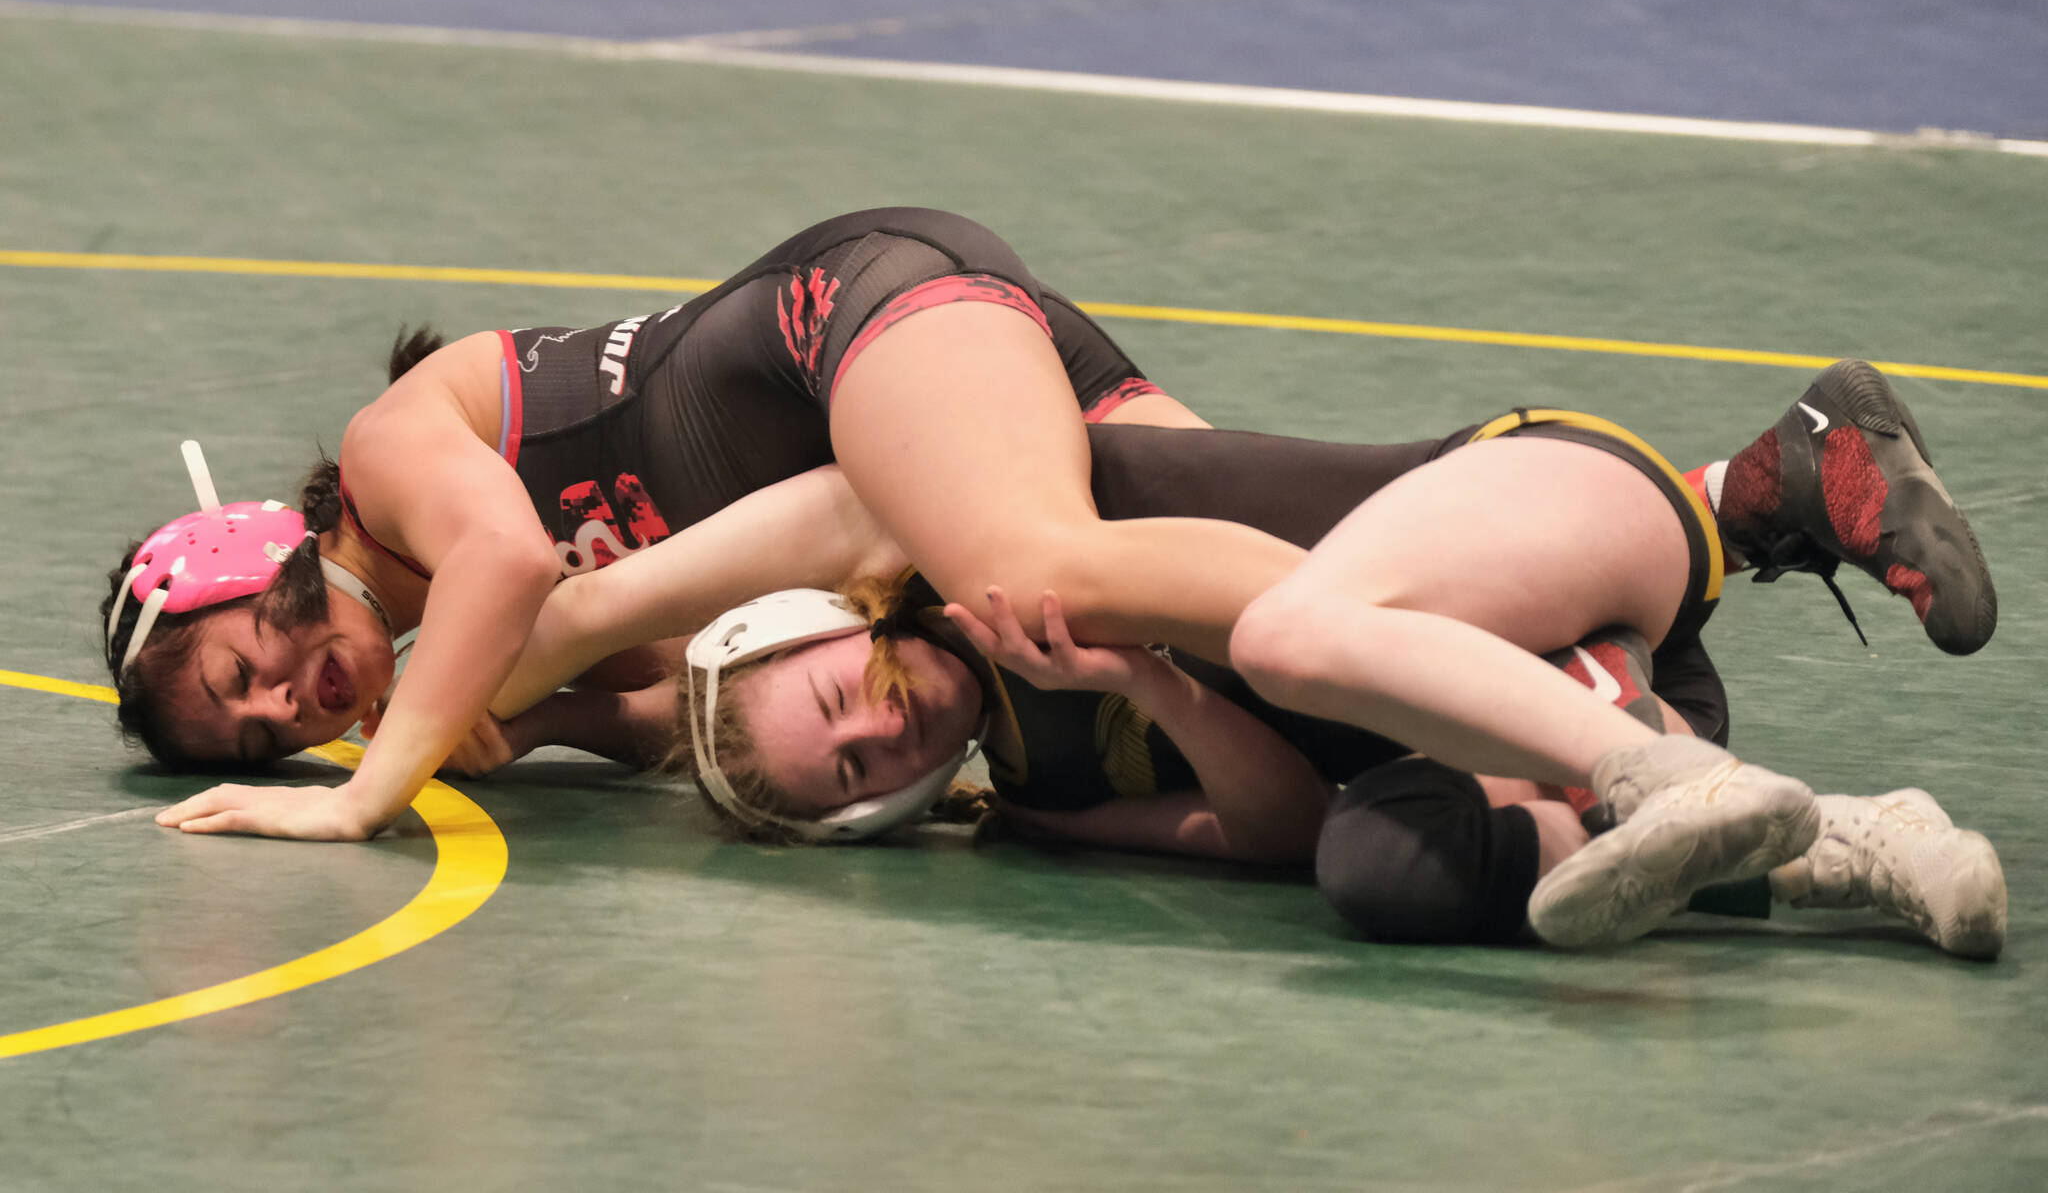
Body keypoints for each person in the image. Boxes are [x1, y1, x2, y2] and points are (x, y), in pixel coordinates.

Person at [106, 209, 1991, 948]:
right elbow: (683, 718)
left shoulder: (399, 475)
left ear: (270, 558)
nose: (288, 703)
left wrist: (367, 793)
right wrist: (529, 730)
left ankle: (1660, 631)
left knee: (1079, 573)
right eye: (256, 735)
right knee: (1239, 591)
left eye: (252, 655)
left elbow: (531, 568)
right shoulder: (482, 673)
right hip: (916, 411)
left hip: (846, 324)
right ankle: (1740, 542)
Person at [474, 404, 2000, 956]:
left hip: (1551, 509)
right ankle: (1861, 842)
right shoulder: (1042, 793)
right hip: (1549, 694)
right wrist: (1150, 688)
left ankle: (1764, 495)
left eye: (839, 705)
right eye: (859, 779)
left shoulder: (980, 535)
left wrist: (505, 693)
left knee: (1286, 632)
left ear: (819, 624)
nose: (886, 729)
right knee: (1375, 866)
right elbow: (1272, 828)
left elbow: (714, 593)